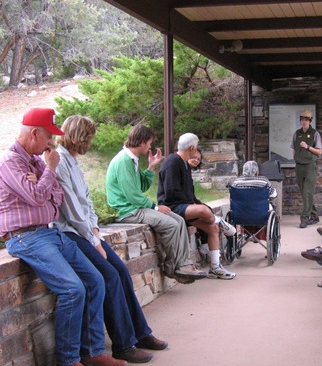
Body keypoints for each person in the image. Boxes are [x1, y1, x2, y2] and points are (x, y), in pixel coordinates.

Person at [0, 108, 125, 366]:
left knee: (96, 280)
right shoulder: (10, 163)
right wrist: (49, 172)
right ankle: (68, 361)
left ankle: (91, 352)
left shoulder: (37, 162)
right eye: (48, 137)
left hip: (50, 232)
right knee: (73, 289)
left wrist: (43, 180)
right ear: (34, 133)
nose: (51, 143)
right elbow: (36, 196)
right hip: (26, 238)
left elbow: (57, 197)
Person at [55, 115, 167, 363]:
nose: (91, 143)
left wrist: (95, 230)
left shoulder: (72, 161)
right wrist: (94, 240)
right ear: (79, 136)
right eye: (89, 137)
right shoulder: (59, 162)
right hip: (71, 233)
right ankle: (123, 345)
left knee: (122, 272)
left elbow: (87, 204)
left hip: (87, 231)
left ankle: (140, 333)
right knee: (109, 276)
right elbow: (72, 210)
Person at [106, 125, 207, 284]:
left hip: (136, 207)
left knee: (179, 221)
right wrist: (154, 207)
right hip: (128, 210)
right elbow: (132, 195)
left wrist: (151, 167)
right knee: (172, 225)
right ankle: (174, 267)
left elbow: (142, 186)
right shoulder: (124, 161)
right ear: (142, 142)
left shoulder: (132, 159)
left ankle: (183, 265)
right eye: (149, 143)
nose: (150, 146)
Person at [157, 132, 236, 280]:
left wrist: (192, 202)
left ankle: (215, 267)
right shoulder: (172, 162)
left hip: (184, 207)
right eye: (197, 147)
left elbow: (189, 192)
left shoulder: (184, 164)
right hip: (171, 207)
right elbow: (170, 192)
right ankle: (220, 222)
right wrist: (192, 204)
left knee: (211, 227)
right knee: (202, 210)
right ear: (192, 147)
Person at [291, 109, 322, 228]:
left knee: (307, 192)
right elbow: (293, 148)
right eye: (302, 120)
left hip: (310, 166)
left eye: (306, 120)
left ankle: (305, 218)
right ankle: (314, 215)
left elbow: (319, 151)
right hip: (299, 166)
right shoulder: (297, 133)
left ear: (310, 121)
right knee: (305, 194)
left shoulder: (315, 134)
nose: (304, 122)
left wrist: (308, 147)